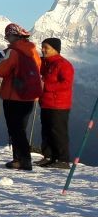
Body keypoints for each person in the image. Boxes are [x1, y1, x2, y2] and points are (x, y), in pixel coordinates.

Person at [0, 23, 42, 171]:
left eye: (8, 36)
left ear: (13, 36)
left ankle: (22, 159)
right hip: (29, 96)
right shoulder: (33, 51)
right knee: (21, 128)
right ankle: (21, 158)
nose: (7, 39)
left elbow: (1, 71)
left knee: (15, 129)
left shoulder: (13, 52)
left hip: (13, 95)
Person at [38, 38, 74, 167]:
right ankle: (49, 156)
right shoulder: (46, 64)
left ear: (55, 49)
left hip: (59, 105)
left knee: (58, 131)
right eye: (42, 47)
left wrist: (46, 87)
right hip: (46, 103)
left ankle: (62, 159)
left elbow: (66, 83)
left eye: (46, 47)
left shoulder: (63, 64)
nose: (43, 50)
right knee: (46, 130)